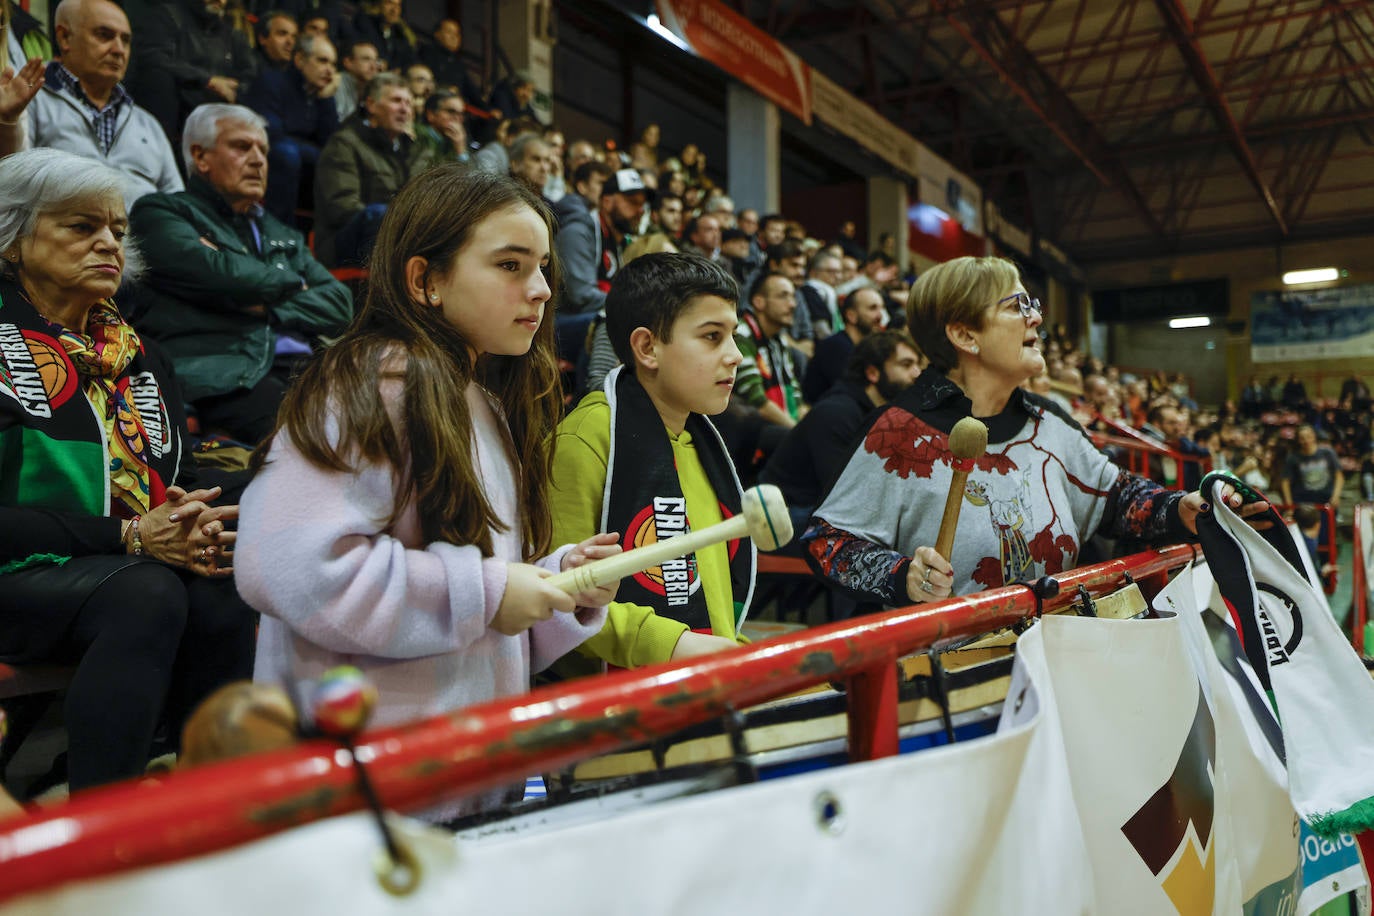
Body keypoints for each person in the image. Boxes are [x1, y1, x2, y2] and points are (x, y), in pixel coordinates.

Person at [235, 168, 618, 819]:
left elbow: (474, 618)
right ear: (426, 281)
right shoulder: (367, 385)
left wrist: (553, 588)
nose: (543, 289)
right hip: (367, 799)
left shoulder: (485, 403)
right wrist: (493, 592)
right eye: (509, 264)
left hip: (456, 782)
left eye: (544, 267)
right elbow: (292, 567)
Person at [0, 148, 256, 792]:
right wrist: (131, 538)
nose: (108, 242)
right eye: (81, 227)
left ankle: (210, 799)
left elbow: (181, 468)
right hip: (19, 566)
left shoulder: (136, 352)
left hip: (113, 564)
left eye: (116, 228)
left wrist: (194, 518)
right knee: (146, 591)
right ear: (14, 238)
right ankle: (105, 829)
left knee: (221, 581)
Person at [802, 256, 1267, 607]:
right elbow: (828, 541)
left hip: (1052, 662)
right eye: (1017, 306)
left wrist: (1179, 508)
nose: (1036, 318)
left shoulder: (1048, 423)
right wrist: (901, 574)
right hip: (944, 681)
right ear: (965, 336)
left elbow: (1117, 498)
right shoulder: (898, 432)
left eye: (1033, 303)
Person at [550, 253, 751, 669]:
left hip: (700, 682)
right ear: (647, 347)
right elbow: (557, 596)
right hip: (615, 711)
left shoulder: (701, 438)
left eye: (734, 335)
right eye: (712, 336)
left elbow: (711, 605)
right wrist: (674, 645)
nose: (736, 355)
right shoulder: (585, 439)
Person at [130, 104, 353, 445]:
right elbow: (222, 275)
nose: (258, 160)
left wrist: (266, 305)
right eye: (241, 146)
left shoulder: (280, 231)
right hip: (224, 373)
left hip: (303, 366)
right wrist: (295, 281)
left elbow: (340, 304)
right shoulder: (160, 213)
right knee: (320, 442)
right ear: (200, 157)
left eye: (263, 150)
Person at [18, 0, 183, 206]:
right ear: (65, 37)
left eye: (125, 40)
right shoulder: (30, 100)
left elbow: (178, 206)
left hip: (146, 236)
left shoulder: (147, 124)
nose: (118, 50)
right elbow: (15, 190)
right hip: (64, 232)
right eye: (104, 35)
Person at [763, 330, 921, 531]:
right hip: (791, 512)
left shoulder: (884, 414)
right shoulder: (836, 413)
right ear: (873, 373)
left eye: (917, 364)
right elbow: (844, 495)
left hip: (825, 506)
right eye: (906, 365)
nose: (917, 373)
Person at [314, 72, 435, 267]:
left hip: (396, 237)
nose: (405, 109)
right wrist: (400, 224)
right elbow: (341, 207)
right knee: (377, 215)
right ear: (371, 105)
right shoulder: (345, 143)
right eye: (396, 101)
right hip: (344, 242)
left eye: (408, 103)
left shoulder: (411, 150)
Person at [240, 32, 341, 224]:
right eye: (322, 61)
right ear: (300, 59)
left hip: (304, 171)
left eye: (333, 65)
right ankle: (274, 229)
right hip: (269, 161)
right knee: (287, 153)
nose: (330, 71)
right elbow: (271, 135)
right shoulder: (271, 82)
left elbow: (333, 147)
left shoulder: (322, 97)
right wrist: (316, 152)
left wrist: (327, 100)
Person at [123, 0, 257, 143]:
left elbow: (249, 76)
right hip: (177, 108)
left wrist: (235, 90)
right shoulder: (167, 16)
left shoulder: (232, 36)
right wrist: (207, 80)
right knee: (159, 78)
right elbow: (154, 58)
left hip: (217, 112)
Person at [802, 286, 887, 404]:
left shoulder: (865, 348)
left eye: (881, 308)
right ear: (851, 316)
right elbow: (855, 393)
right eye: (872, 308)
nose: (880, 316)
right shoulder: (834, 347)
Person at [1281, 424, 1343, 509]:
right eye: (1302, 438)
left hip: (1326, 500)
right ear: (1298, 440)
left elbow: (1339, 476)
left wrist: (1336, 496)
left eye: (1308, 436)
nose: (1306, 440)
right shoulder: (1293, 457)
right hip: (1303, 501)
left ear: (1314, 436)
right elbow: (1285, 481)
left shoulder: (1328, 453)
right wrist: (1289, 504)